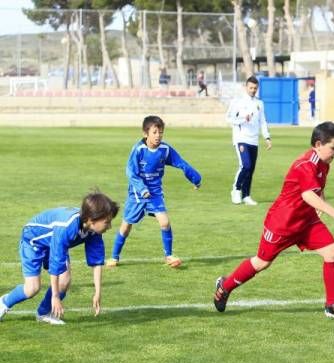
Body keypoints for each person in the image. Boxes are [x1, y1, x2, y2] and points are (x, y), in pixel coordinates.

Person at [213, 121, 334, 319]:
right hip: (283, 223)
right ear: (317, 144)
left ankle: (332, 304)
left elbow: (317, 188)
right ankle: (225, 286)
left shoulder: (323, 163)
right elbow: (307, 195)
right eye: (333, 148)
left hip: (306, 221)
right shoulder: (305, 165)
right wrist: (333, 211)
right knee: (261, 262)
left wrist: (321, 202)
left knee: (332, 252)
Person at [0, 191, 119, 325]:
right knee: (32, 288)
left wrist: (97, 292)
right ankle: (4, 303)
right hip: (33, 240)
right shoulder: (66, 227)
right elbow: (56, 263)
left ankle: (43, 313)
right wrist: (55, 297)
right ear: (91, 220)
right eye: (107, 222)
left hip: (54, 242)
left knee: (65, 281)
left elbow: (96, 262)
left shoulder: (93, 231)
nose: (109, 226)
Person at [107, 115, 202, 269]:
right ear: (146, 133)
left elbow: (181, 163)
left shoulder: (165, 149)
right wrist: (142, 189)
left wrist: (195, 178)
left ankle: (169, 256)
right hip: (137, 194)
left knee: (165, 222)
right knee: (126, 226)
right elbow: (131, 172)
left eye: (161, 132)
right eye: (155, 132)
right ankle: (114, 256)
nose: (158, 136)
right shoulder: (138, 150)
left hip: (155, 193)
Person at [227, 76, 272, 206]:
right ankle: (236, 190)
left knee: (251, 169)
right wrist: (242, 119)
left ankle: (246, 195)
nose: (253, 90)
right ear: (246, 87)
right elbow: (228, 118)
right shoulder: (237, 102)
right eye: (251, 88)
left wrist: (267, 137)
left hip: (254, 140)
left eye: (255, 88)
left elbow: (262, 121)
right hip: (241, 138)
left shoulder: (259, 103)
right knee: (245, 165)